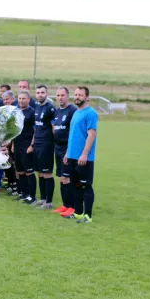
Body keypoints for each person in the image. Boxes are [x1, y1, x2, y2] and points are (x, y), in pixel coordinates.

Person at [63, 86, 98, 223]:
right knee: (75, 185)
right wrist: (67, 153)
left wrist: (84, 154)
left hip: (83, 158)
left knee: (85, 186)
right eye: (76, 94)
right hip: (72, 156)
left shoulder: (90, 113)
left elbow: (91, 135)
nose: (77, 97)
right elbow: (73, 135)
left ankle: (87, 215)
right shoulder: (76, 112)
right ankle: (77, 213)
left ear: (87, 97)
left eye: (80, 95)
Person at [29, 85, 56, 209]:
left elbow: (53, 128)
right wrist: (32, 144)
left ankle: (49, 202)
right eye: (38, 92)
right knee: (39, 173)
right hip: (38, 143)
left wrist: (54, 142)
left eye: (42, 92)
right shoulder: (36, 108)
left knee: (47, 173)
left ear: (47, 93)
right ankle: (43, 199)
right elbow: (36, 128)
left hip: (46, 144)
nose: (40, 94)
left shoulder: (50, 108)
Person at [52, 87, 77, 216]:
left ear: (68, 96)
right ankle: (65, 205)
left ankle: (72, 207)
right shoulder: (57, 112)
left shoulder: (72, 111)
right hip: (57, 148)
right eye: (58, 95)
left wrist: (69, 150)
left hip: (68, 149)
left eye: (62, 95)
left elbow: (74, 132)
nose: (60, 97)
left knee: (68, 178)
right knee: (61, 178)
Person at [12, 91, 36, 204]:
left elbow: (36, 130)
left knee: (29, 171)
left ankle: (32, 196)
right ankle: (24, 194)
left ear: (29, 99)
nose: (21, 101)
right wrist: (12, 144)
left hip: (27, 145)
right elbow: (14, 130)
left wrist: (32, 145)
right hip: (17, 144)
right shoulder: (16, 111)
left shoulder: (32, 112)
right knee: (20, 171)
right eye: (20, 98)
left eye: (24, 99)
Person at [1, 91, 18, 196]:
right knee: (7, 163)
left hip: (13, 143)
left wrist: (11, 143)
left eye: (7, 99)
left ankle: (16, 186)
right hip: (5, 141)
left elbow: (16, 129)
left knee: (14, 165)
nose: (6, 101)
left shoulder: (16, 111)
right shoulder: (4, 111)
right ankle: (11, 184)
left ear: (12, 99)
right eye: (4, 99)